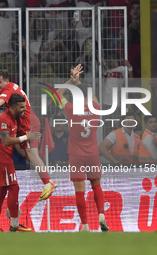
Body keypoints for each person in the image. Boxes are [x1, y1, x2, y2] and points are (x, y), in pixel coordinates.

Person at [0, 69, 56, 201]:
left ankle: (48, 183)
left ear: (6, 81)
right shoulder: (13, 86)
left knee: (32, 154)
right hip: (26, 123)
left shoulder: (7, 90)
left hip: (29, 124)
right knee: (29, 154)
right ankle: (47, 181)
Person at [55, 64, 109, 232]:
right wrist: (82, 84)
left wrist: (71, 81)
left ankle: (84, 225)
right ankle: (101, 213)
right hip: (92, 153)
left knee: (79, 191)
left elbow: (57, 95)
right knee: (96, 186)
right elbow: (94, 99)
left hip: (76, 155)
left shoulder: (71, 109)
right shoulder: (96, 109)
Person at [0, 93, 41, 232]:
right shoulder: (4, 119)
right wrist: (25, 137)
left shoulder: (15, 118)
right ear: (12, 107)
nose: (24, 109)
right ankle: (14, 225)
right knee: (14, 188)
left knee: (0, 193)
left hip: (2, 159)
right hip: (1, 160)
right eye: (21, 107)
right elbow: (6, 141)